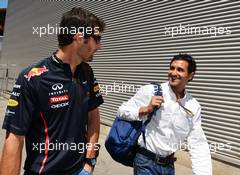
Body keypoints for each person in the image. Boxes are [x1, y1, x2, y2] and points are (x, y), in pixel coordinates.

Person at [0, 7, 105, 175]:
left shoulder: (87, 72)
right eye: (97, 39)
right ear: (79, 38)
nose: (100, 46)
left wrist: (89, 162)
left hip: (80, 170)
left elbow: (93, 117)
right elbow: (14, 139)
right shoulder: (32, 77)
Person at [117, 54, 212, 175]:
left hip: (169, 166)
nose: (173, 73)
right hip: (145, 161)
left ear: (190, 75)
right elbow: (121, 111)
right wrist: (145, 109)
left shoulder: (193, 106)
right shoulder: (151, 91)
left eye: (180, 70)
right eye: (172, 68)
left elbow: (197, 143)